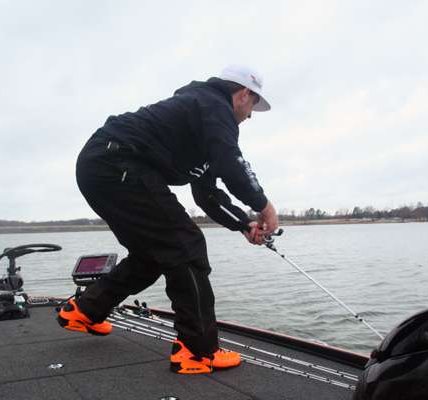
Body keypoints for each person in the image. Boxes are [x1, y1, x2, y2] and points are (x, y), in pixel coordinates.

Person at [57, 65, 280, 374]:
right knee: (186, 245)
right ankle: (197, 351)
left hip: (100, 167)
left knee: (155, 253)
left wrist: (244, 224)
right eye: (254, 105)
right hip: (117, 162)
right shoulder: (214, 105)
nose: (251, 115)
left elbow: (208, 195)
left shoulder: (201, 120)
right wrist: (264, 206)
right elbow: (231, 162)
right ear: (244, 94)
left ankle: (84, 310)